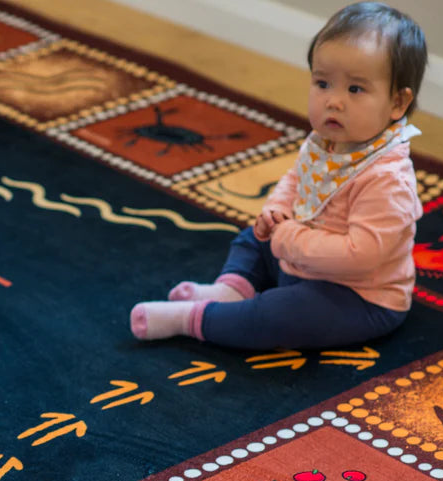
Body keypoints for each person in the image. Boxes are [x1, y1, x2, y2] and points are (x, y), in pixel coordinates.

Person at [130, 2, 427, 350]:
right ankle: (232, 288)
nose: (333, 101)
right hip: (300, 256)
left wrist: (289, 240)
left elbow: (362, 254)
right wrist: (276, 212)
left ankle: (195, 319)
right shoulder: (325, 143)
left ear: (397, 103)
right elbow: (295, 180)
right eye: (323, 83)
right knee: (250, 240)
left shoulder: (387, 178)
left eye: (355, 89)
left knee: (282, 315)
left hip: (357, 294)